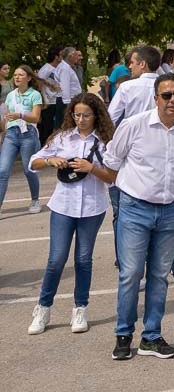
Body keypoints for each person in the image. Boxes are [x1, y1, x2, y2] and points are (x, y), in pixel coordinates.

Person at [106, 73, 174, 360]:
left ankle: (151, 337)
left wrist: (169, 191)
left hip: (171, 209)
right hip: (135, 208)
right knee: (131, 274)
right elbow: (112, 162)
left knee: (160, 276)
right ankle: (123, 334)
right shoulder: (134, 125)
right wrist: (126, 197)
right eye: (167, 95)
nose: (173, 100)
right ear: (155, 98)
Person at [27, 92, 118, 335]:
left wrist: (92, 168)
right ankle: (43, 308)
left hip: (92, 207)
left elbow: (113, 177)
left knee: (83, 259)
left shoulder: (105, 141)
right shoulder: (63, 138)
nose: (81, 119)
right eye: (77, 114)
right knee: (56, 259)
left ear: (96, 115)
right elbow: (33, 162)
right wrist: (51, 160)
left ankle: (80, 308)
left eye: (86, 115)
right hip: (63, 206)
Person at [2, 65, 44, 213]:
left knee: (29, 170)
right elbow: (5, 116)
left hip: (28, 133)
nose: (17, 77)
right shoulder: (10, 95)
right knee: (2, 171)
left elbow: (36, 117)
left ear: (29, 78)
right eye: (15, 75)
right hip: (11, 134)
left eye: (20, 75)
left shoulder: (35, 95)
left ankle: (35, 200)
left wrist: (20, 115)